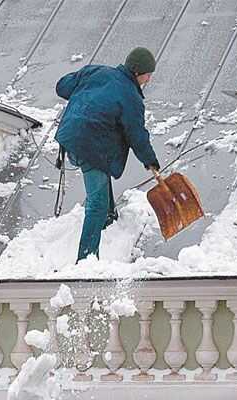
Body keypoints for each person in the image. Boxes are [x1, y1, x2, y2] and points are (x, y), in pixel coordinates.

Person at [54, 47, 160, 262]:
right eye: (148, 74)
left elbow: (62, 87)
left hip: (70, 135)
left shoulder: (95, 72)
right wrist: (151, 162)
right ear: (138, 72)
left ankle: (109, 220)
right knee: (97, 204)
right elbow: (137, 135)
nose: (149, 79)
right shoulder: (131, 97)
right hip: (91, 146)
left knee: (102, 183)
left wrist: (89, 94)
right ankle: (86, 260)